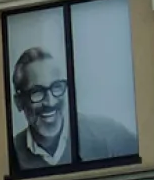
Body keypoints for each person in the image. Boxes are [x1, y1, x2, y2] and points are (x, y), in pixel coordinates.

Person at [8, 46, 137, 173]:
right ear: (19, 102)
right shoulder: (10, 156)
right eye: (37, 92)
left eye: (57, 87)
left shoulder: (109, 136)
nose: (50, 102)